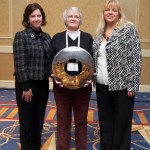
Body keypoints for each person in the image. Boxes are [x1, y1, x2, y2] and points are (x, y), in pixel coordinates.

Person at [92, 0, 142, 150]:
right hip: (102, 85)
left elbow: (135, 58)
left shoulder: (128, 30)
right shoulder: (99, 33)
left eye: (114, 10)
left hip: (122, 86)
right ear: (103, 13)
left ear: (119, 13)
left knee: (122, 123)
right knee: (105, 121)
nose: (110, 13)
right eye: (107, 10)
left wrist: (132, 84)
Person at [49, 6, 93, 150]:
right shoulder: (57, 38)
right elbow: (50, 62)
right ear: (65, 20)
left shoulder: (88, 38)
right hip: (62, 88)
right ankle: (62, 147)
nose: (73, 19)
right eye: (70, 16)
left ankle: (81, 147)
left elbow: (93, 62)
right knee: (63, 121)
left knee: (81, 120)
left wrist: (91, 77)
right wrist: (53, 76)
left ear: (80, 20)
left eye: (76, 16)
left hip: (83, 88)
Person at [13, 3, 51, 150]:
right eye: (33, 16)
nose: (36, 19)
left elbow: (49, 62)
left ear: (42, 18)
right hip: (27, 86)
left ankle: (36, 146)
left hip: (43, 84)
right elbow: (20, 63)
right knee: (27, 120)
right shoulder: (21, 36)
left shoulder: (47, 37)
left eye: (39, 16)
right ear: (27, 19)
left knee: (39, 118)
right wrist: (26, 87)